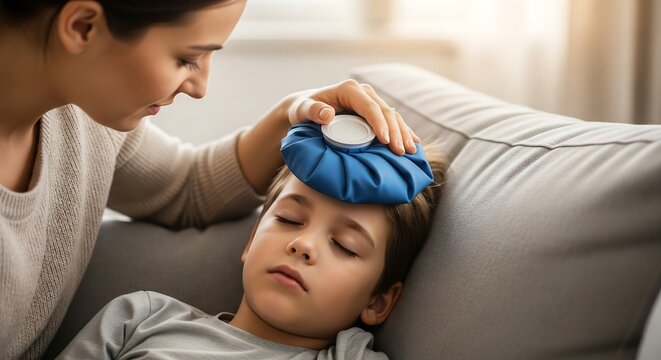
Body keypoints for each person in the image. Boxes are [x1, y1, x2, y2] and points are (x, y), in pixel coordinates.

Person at [0, 1, 422, 359]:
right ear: (83, 26)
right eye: (187, 57)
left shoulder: (87, 124)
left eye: (345, 246)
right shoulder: (143, 320)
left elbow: (189, 188)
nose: (201, 86)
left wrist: (295, 111)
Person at [55, 140, 448, 359]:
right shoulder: (141, 318)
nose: (302, 244)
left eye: (345, 246)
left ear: (378, 302)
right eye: (291, 220)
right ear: (251, 240)